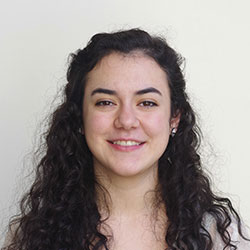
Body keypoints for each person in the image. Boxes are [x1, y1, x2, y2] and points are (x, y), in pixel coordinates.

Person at [2, 28, 250, 250]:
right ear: (79, 118)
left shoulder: (221, 236)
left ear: (174, 118)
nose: (127, 120)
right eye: (106, 102)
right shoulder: (33, 237)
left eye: (147, 103)